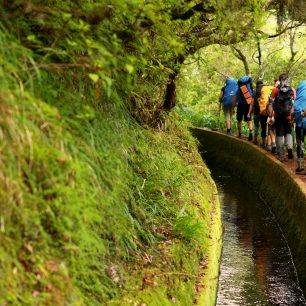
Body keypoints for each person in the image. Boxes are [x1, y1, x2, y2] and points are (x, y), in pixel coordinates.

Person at [271, 73, 296, 161]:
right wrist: (292, 116)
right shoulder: (292, 90)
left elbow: (271, 104)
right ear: (287, 79)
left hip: (278, 116)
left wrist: (270, 116)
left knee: (279, 134)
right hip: (288, 116)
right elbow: (293, 104)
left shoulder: (275, 90)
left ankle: (281, 154)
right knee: (288, 133)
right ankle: (289, 147)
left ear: (279, 80)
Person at [234, 75, 253, 140]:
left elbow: (234, 99)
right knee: (249, 119)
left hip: (240, 105)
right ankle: (250, 133)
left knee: (239, 120)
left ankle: (239, 133)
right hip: (248, 104)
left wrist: (233, 107)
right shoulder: (249, 89)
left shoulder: (238, 90)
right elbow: (252, 99)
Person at [293, 80, 306, 173]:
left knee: (300, 142)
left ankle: (301, 166)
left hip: (300, 122)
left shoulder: (301, 85)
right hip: (301, 120)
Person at [249, 80, 263, 145]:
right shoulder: (264, 92)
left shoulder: (254, 93)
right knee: (263, 126)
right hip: (263, 112)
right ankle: (264, 142)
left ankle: (255, 139)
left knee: (256, 126)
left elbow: (251, 104)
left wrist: (249, 113)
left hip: (256, 111)